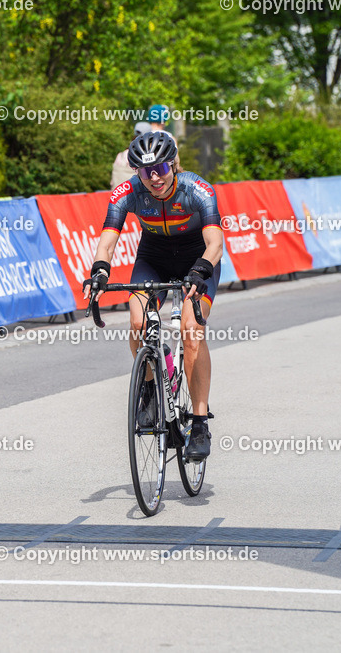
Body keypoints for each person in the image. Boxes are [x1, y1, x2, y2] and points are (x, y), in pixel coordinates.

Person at [84, 131, 224, 462]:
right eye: (146, 172)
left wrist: (200, 271)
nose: (155, 178)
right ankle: (148, 389)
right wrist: (100, 271)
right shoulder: (127, 193)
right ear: (137, 173)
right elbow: (106, 241)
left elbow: (215, 243)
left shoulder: (197, 189)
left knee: (191, 331)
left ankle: (200, 422)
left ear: (173, 164)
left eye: (161, 168)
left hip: (197, 259)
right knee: (137, 320)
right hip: (154, 259)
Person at [111, 121, 151, 188]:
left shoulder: (121, 155)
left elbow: (112, 182)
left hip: (118, 194)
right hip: (136, 195)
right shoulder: (146, 156)